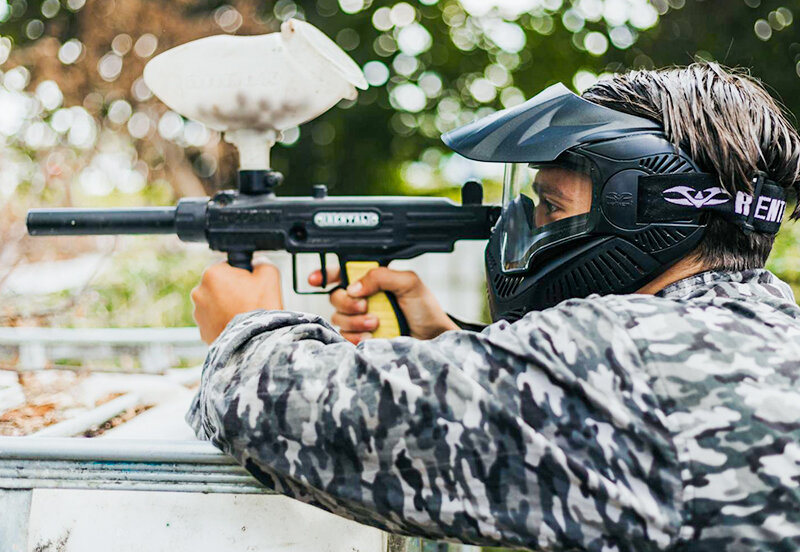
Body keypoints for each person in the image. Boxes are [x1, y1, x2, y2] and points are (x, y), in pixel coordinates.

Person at [188, 64, 800, 552]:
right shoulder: (766, 329)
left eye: (551, 208)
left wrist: (242, 330)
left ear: (645, 211)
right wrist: (452, 336)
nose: (528, 226)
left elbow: (283, 408)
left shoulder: (622, 360)